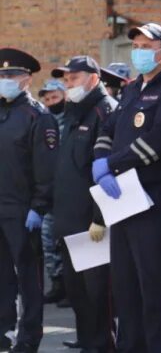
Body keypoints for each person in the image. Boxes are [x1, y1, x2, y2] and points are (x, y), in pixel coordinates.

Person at [92, 23, 161, 353]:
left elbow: (160, 142)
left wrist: (113, 163)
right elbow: (108, 129)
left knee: (155, 288)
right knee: (125, 286)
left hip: (154, 199)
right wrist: (100, 160)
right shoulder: (132, 88)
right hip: (121, 198)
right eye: (135, 44)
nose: (139, 50)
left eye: (146, 45)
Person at [51, 56, 117, 353]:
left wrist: (100, 218)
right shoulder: (74, 113)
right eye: (66, 80)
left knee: (97, 294)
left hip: (91, 223)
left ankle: (102, 346)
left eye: (73, 79)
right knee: (77, 292)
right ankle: (89, 343)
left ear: (93, 78)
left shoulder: (105, 112)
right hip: (69, 220)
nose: (68, 85)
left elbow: (108, 171)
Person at [0, 48, 59, 353]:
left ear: (26, 79)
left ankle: (28, 337)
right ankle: (3, 330)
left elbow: (45, 169)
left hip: (23, 211)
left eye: (11, 75)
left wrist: (38, 207)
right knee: (2, 278)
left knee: (28, 278)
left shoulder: (38, 116)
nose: (5, 80)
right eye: (1, 75)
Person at [37, 78, 68, 307]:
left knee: (67, 240)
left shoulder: (72, 119)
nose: (50, 102)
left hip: (70, 192)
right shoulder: (43, 120)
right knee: (48, 238)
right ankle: (57, 282)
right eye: (47, 99)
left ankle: (70, 286)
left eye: (54, 97)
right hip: (51, 191)